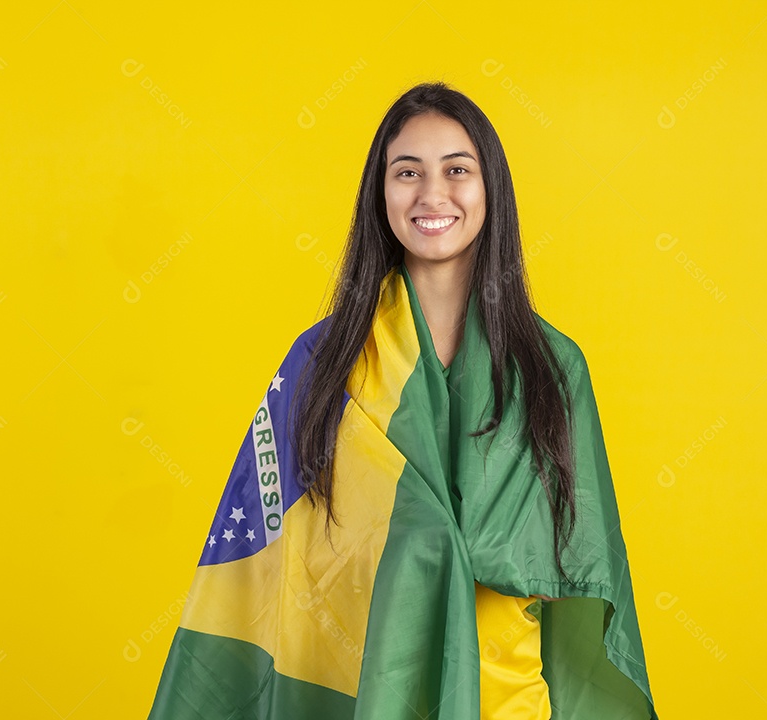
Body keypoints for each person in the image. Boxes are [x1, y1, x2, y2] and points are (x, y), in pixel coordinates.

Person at [147, 81, 659, 720]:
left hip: (508, 700)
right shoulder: (323, 363)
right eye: (407, 172)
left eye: (457, 171)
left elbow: (584, 575)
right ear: (379, 194)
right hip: (367, 691)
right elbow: (266, 559)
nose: (432, 194)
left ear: (490, 189)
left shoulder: (554, 369)